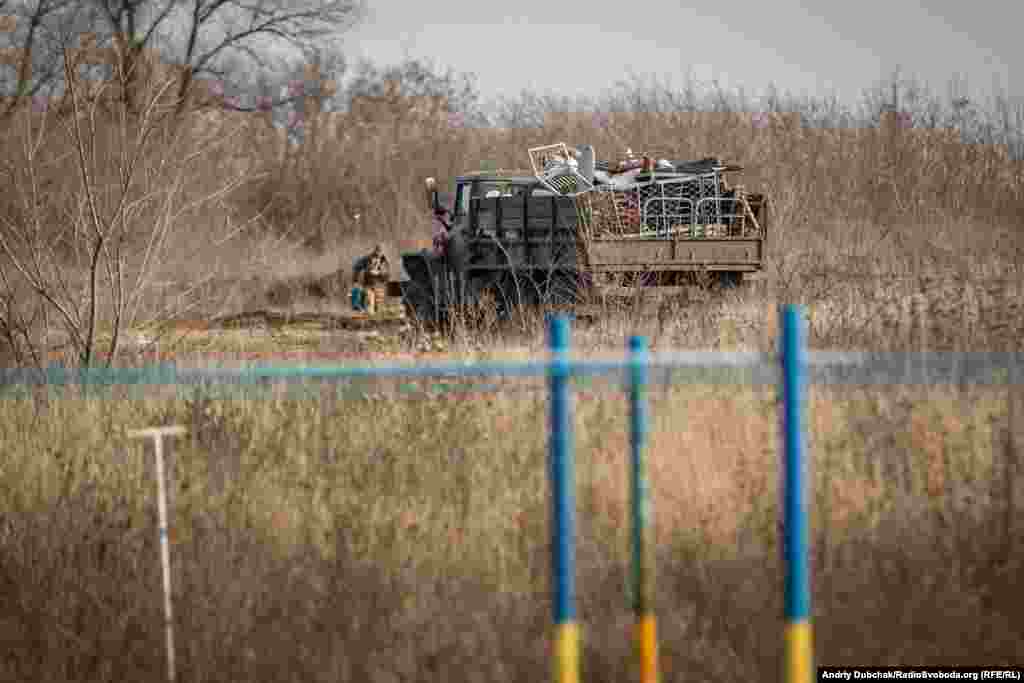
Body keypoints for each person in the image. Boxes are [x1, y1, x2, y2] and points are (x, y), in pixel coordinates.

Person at [353, 244, 390, 314]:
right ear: (375, 251)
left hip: (379, 284)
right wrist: (355, 280)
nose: (379, 254)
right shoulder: (367, 258)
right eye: (378, 252)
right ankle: (368, 313)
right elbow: (357, 267)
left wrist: (380, 274)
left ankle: (375, 316)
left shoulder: (384, 260)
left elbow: (387, 274)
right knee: (370, 301)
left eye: (380, 252)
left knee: (379, 304)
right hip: (368, 283)